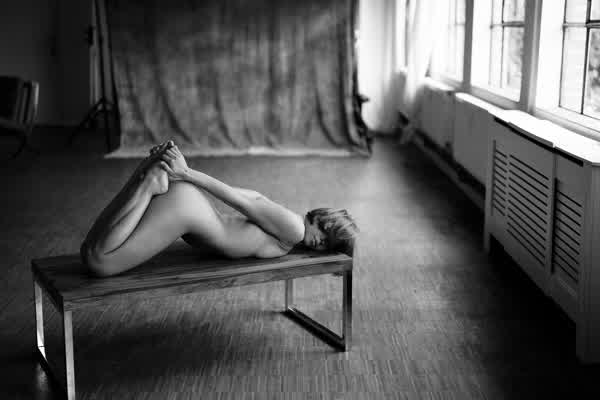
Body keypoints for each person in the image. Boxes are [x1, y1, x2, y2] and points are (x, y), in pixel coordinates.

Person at [81, 141, 358, 277]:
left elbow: (248, 196)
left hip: (191, 209)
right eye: (324, 229)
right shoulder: (294, 229)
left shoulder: (288, 223)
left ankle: (145, 178)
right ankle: (149, 183)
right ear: (319, 216)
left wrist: (186, 180)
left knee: (92, 251)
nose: (320, 240)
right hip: (188, 211)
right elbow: (240, 201)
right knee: (99, 262)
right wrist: (186, 174)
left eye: (327, 244)